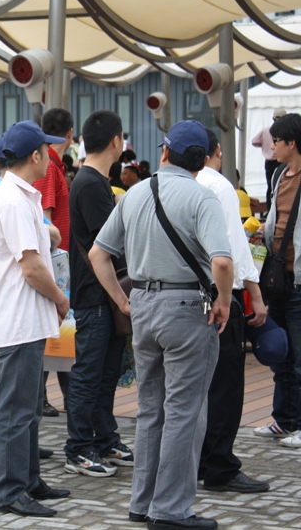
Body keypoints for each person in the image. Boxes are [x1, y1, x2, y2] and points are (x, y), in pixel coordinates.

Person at [90, 119, 233, 530]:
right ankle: (170, 511)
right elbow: (221, 261)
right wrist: (222, 300)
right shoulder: (203, 197)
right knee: (185, 411)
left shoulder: (134, 193)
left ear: (165, 153)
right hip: (188, 307)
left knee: (151, 409)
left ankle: (143, 502)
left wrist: (122, 300)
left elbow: (99, 255)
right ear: (203, 161)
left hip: (144, 306)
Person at [0, 120, 71, 517]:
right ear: (35, 156)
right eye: (47, 151)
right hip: (19, 318)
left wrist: (47, 230)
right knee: (16, 410)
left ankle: (29, 479)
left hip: (25, 319)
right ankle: (10, 491)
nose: (52, 157)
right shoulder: (14, 199)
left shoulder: (20, 195)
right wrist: (60, 299)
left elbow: (36, 244)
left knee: (28, 408)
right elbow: (32, 268)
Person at [196, 128, 270, 493]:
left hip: (179, 296)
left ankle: (193, 461)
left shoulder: (159, 186)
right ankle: (219, 465)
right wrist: (254, 294)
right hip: (219, 292)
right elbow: (233, 248)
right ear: (216, 151)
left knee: (190, 386)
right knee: (224, 384)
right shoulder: (220, 187)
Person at [64, 110, 131, 479]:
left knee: (105, 373)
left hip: (102, 294)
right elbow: (112, 241)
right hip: (95, 295)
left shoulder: (94, 180)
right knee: (90, 374)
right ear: (116, 142)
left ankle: (105, 438)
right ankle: (78, 447)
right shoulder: (90, 183)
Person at [254, 113, 301, 449]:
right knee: (282, 351)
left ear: (291, 143)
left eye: (277, 143)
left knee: (299, 355)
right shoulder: (281, 175)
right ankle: (284, 420)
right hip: (278, 278)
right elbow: (276, 216)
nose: (273, 150)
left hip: (299, 279)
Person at [35, 108, 73, 417]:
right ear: (70, 135)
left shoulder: (53, 166)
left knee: (57, 334)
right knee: (55, 331)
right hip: (54, 264)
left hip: (55, 262)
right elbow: (45, 222)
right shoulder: (50, 169)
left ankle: (45, 397)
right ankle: (41, 398)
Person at [252, 108, 287, 209]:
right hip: (281, 162)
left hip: (269, 162)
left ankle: (270, 209)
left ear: (273, 118)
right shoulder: (286, 132)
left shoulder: (266, 130)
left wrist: (264, 147)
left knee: (271, 187)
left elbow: (254, 141)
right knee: (282, 185)